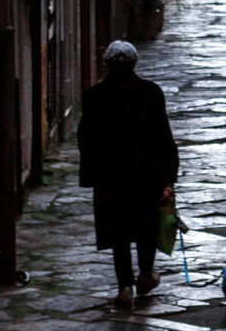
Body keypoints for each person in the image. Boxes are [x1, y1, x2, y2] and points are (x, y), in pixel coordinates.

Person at [77, 37, 180, 309]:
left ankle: (125, 286)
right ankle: (145, 275)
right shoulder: (151, 92)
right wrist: (169, 176)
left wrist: (91, 175)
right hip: (148, 175)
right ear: (135, 63)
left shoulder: (94, 96)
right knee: (147, 228)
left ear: (107, 64)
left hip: (111, 177)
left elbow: (86, 138)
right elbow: (163, 135)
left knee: (118, 233)